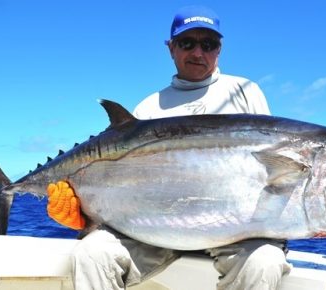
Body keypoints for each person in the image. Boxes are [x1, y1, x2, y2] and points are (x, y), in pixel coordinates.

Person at [47, 5, 291, 290]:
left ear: (219, 50)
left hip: (235, 231)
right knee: (92, 254)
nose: (198, 53)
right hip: (152, 231)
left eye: (208, 44)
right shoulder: (150, 107)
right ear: (171, 48)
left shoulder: (245, 91)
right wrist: (83, 211)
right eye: (187, 43)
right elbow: (119, 181)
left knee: (265, 263)